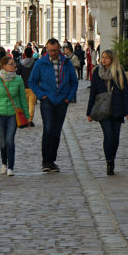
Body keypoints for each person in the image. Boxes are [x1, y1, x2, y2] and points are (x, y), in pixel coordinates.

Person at [29, 38, 78, 173]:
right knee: (48, 128)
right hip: (47, 100)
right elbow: (32, 81)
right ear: (47, 50)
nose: (53, 53)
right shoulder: (41, 63)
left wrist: (69, 97)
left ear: (59, 49)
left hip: (62, 101)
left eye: (55, 50)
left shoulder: (66, 63)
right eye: (50, 51)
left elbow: (74, 82)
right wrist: (41, 96)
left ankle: (52, 161)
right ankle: (45, 161)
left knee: (56, 131)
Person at [87, 48, 128, 175]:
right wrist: (89, 112)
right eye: (102, 57)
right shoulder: (97, 73)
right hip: (102, 109)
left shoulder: (119, 73)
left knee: (115, 138)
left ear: (112, 60)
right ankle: (108, 161)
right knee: (108, 135)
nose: (103, 60)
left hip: (117, 109)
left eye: (106, 58)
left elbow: (125, 92)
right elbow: (93, 93)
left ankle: (112, 158)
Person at [0, 54, 28, 176]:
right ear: (4, 66)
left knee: (10, 140)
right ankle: (4, 163)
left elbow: (23, 99)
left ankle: (11, 167)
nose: (15, 65)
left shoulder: (18, 80)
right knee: (3, 142)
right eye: (12, 64)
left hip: (13, 115)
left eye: (14, 63)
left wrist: (26, 115)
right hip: (0, 114)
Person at [16, 46, 37, 126]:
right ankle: (30, 119)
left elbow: (17, 74)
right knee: (32, 104)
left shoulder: (21, 63)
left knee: (24, 104)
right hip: (33, 87)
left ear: (24, 54)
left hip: (23, 86)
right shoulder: (35, 63)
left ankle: (24, 119)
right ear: (32, 54)